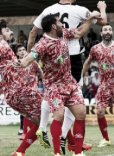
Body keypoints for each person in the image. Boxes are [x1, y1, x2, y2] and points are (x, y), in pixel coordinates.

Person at [27, 0, 107, 153]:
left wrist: (31, 53)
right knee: (73, 96)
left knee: (52, 91)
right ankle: (63, 137)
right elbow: (102, 22)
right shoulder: (79, 10)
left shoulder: (49, 10)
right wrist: (102, 9)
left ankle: (42, 127)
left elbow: (33, 32)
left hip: (51, 57)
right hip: (72, 58)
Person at [17, 12, 101, 156]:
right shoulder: (42, 44)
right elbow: (30, 58)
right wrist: (21, 62)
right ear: (54, 26)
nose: (63, 24)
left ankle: (78, 152)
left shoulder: (63, 34)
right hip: (54, 86)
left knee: (81, 114)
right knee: (59, 115)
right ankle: (57, 153)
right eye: (59, 22)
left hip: (70, 83)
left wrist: (90, 18)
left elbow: (80, 32)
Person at [0, 19, 44, 156]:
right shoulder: (2, 45)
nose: (11, 31)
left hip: (12, 96)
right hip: (22, 92)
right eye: (7, 30)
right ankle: (74, 144)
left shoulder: (8, 50)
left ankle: (19, 152)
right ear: (0, 36)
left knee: (39, 122)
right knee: (55, 107)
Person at [15, 44, 43, 140]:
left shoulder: (33, 63)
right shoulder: (16, 64)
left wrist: (46, 84)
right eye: (20, 50)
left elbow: (41, 73)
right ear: (17, 53)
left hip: (33, 91)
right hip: (21, 92)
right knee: (27, 113)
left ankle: (28, 132)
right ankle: (26, 132)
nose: (22, 51)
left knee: (33, 113)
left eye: (23, 49)